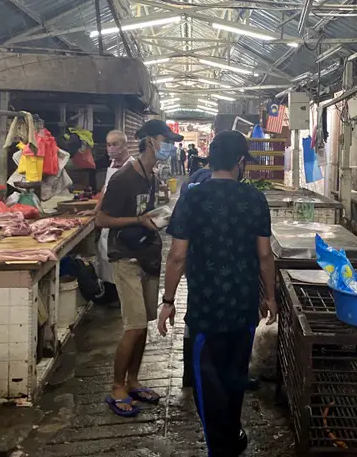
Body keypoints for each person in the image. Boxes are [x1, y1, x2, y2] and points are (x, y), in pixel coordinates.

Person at [158, 131, 277, 456]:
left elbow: (177, 256)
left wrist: (167, 302)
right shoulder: (254, 198)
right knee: (235, 375)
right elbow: (265, 255)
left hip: (205, 312)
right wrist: (270, 296)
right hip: (242, 308)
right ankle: (231, 432)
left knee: (207, 383)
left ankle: (221, 445)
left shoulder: (192, 197)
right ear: (240, 162)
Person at [96, 120, 184, 417]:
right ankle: (116, 387)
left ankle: (133, 381)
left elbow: (145, 211)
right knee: (132, 327)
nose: (169, 145)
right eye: (165, 139)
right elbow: (101, 220)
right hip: (126, 258)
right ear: (149, 141)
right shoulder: (123, 178)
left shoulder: (151, 174)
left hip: (147, 255)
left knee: (143, 324)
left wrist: (159, 214)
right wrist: (137, 221)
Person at [94, 130, 132, 287]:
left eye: (115, 144)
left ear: (124, 145)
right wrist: (95, 209)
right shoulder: (112, 164)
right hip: (107, 218)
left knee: (118, 260)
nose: (111, 148)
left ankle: (118, 294)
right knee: (104, 255)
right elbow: (105, 188)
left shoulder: (130, 166)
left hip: (120, 219)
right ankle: (110, 290)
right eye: (108, 145)